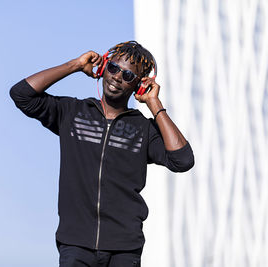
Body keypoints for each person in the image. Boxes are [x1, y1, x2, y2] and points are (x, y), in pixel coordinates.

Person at [10, 41, 194, 267]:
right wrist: (75, 65)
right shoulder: (73, 113)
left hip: (125, 249)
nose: (117, 77)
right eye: (114, 68)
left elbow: (182, 160)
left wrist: (155, 105)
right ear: (104, 67)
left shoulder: (144, 129)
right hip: (76, 244)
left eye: (128, 76)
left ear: (138, 85)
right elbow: (21, 95)